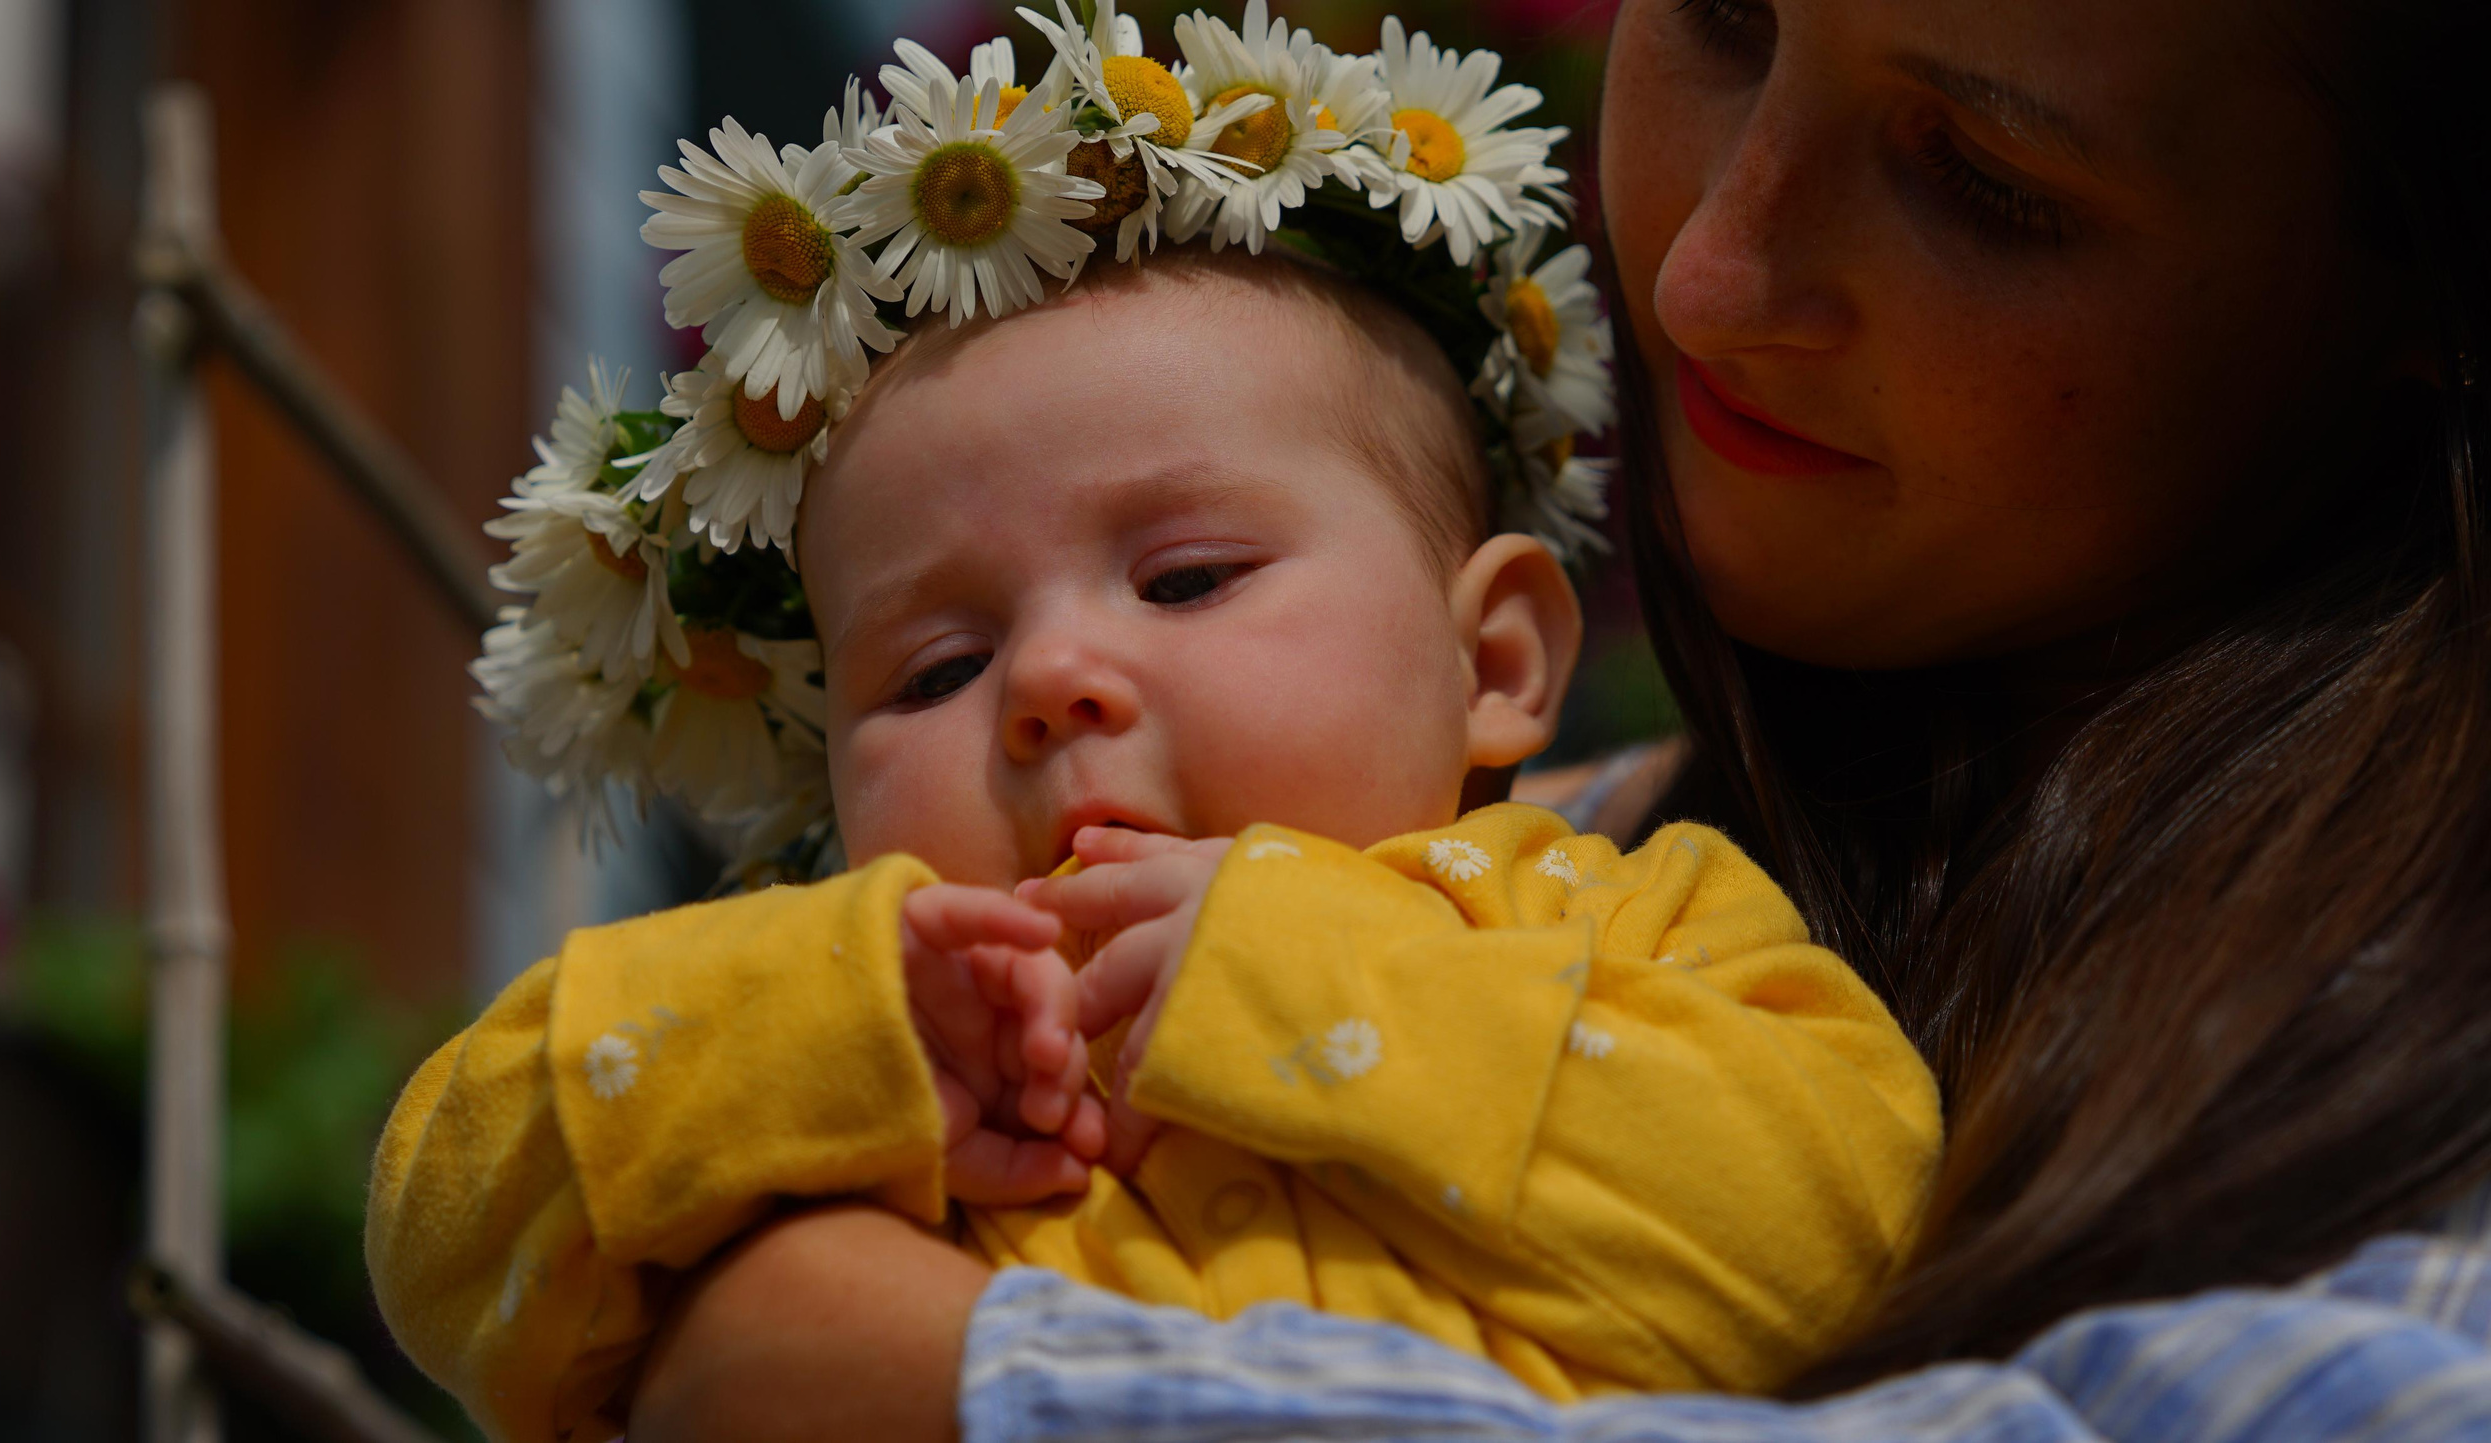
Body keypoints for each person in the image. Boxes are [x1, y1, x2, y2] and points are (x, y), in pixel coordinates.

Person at [618, 0, 2491, 1438]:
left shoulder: (1652, 963)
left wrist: (929, 1374)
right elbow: (517, 1182)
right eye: (1722, 20)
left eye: (1989, 184)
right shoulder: (1573, 838)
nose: (1703, 272)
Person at [367, 14, 1944, 1441]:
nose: (1053, 680)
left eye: (1185, 578)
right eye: (932, 673)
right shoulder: (880, 1004)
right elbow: (449, 1228)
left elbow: (1832, 1239)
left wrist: (1295, 978)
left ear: (1496, 659)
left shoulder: (1621, 919)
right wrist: (837, 1032)